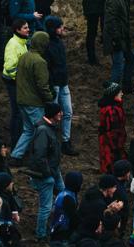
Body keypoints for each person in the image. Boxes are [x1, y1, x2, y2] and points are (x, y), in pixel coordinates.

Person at [10, 30, 52, 164]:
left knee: (28, 130)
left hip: (21, 99)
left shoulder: (24, 57)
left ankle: (16, 156)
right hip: (34, 102)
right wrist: (49, 99)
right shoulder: (40, 62)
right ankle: (37, 159)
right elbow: (42, 85)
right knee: (40, 131)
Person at [25, 101, 62, 241]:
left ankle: (57, 223)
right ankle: (41, 234)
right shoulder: (43, 130)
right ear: (53, 114)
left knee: (63, 195)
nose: (61, 114)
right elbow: (39, 156)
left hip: (53, 170)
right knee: (46, 206)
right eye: (59, 112)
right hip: (46, 174)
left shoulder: (49, 127)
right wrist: (48, 174)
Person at [44, 16, 76, 156]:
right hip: (55, 85)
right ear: (53, 29)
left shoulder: (59, 43)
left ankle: (65, 142)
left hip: (63, 83)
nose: (62, 29)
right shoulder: (48, 45)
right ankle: (53, 143)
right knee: (53, 115)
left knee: (68, 112)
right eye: (59, 27)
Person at [2, 19, 29, 147]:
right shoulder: (13, 44)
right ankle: (15, 140)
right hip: (13, 82)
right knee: (17, 112)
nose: (28, 29)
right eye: (25, 28)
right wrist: (21, 79)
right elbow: (10, 67)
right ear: (18, 30)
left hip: (17, 81)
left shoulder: (22, 42)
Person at [103, 0, 132, 92]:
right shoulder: (113, 1)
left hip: (123, 36)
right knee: (118, 65)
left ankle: (126, 87)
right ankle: (112, 92)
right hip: (116, 38)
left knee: (131, 58)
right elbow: (110, 21)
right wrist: (116, 39)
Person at [98, 82, 127, 174]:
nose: (122, 94)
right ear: (114, 95)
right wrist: (117, 147)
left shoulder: (113, 107)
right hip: (112, 145)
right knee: (111, 166)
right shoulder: (111, 110)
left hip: (111, 143)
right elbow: (112, 131)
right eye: (120, 93)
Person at [82, 0, 103, 65]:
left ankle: (91, 59)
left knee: (91, 34)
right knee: (92, 34)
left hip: (91, 9)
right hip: (99, 8)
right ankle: (92, 59)